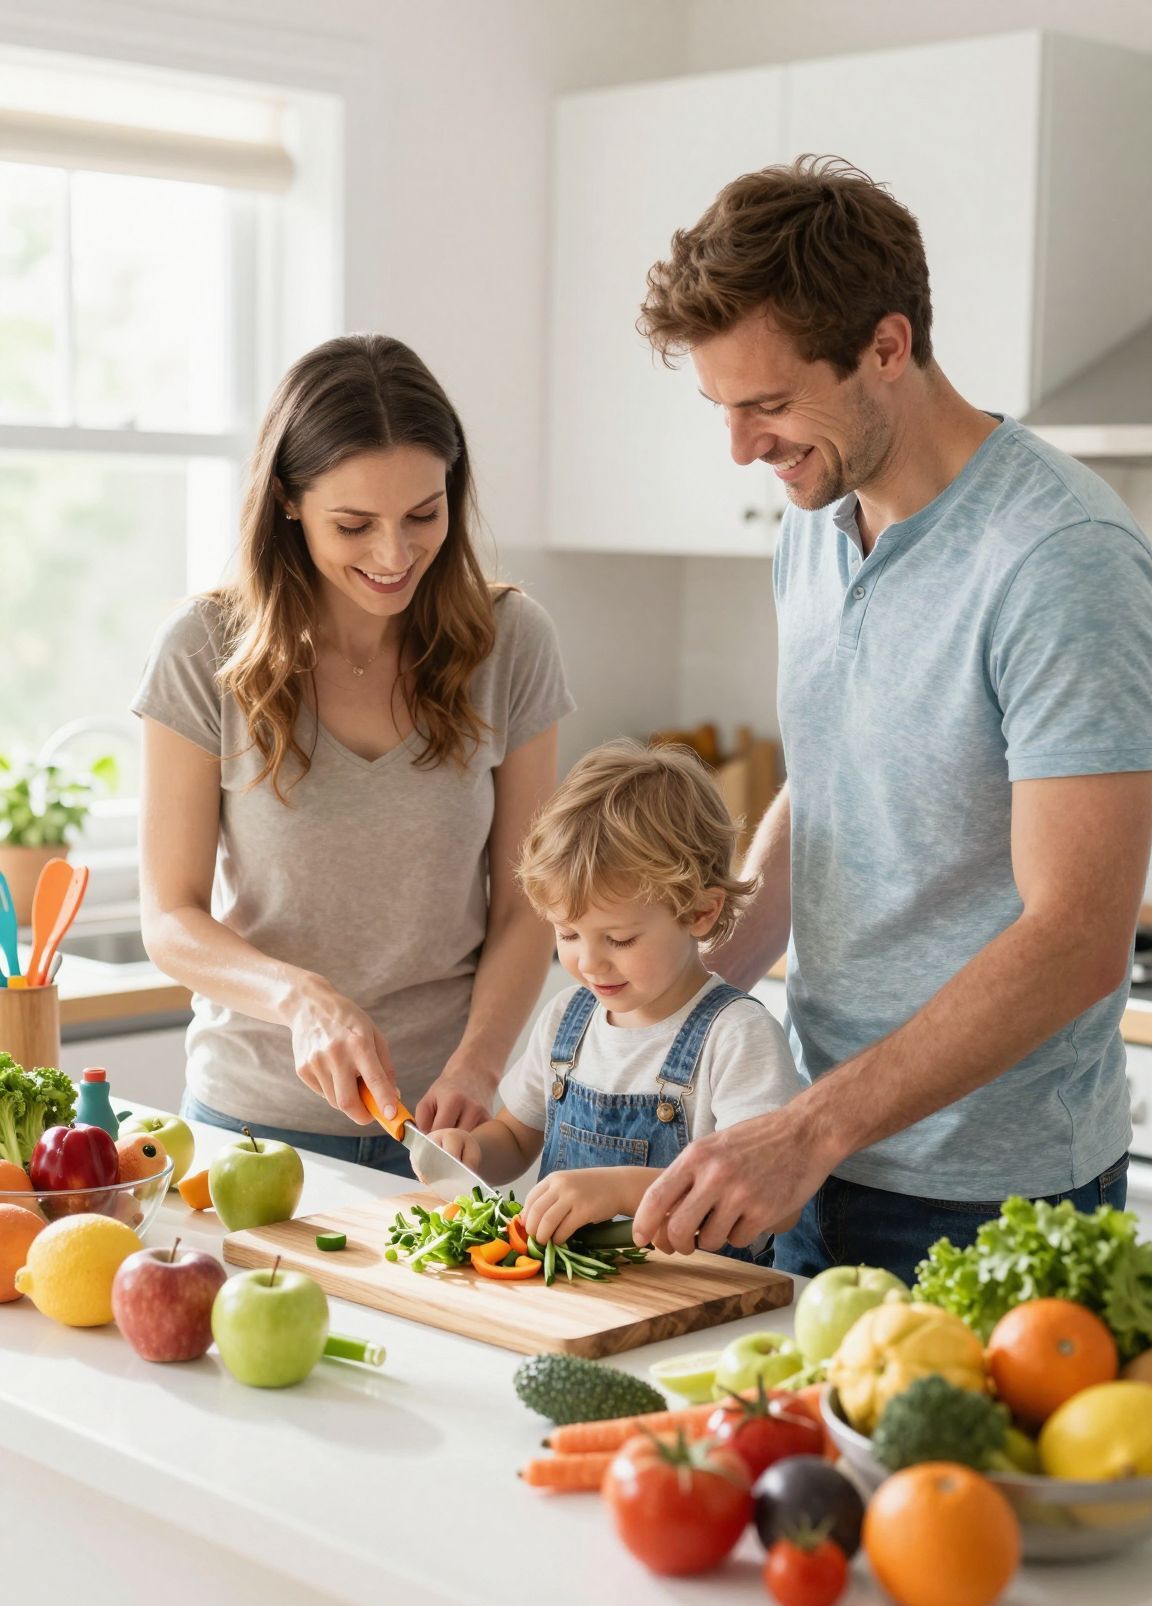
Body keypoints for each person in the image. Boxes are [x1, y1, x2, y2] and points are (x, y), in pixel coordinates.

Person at [629, 157, 1152, 1284]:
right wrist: (690, 976)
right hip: (820, 1159)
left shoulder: (1060, 561)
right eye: (723, 408)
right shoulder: (812, 524)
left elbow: (1077, 937)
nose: (742, 447)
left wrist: (810, 1128)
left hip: (997, 1198)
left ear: (887, 346)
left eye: (767, 404)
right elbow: (827, 780)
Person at [133, 334, 572, 1172]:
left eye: (423, 515)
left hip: (444, 1133)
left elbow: (527, 904)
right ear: (289, 503)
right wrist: (300, 999)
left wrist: (480, 1063)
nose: (394, 554)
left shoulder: (511, 643)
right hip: (250, 1129)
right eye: (354, 524)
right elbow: (171, 917)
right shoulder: (202, 650)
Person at [423, 740, 802, 1256]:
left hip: (698, 1304)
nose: (590, 962)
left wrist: (621, 1191)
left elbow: (764, 1200)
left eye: (619, 939)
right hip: (580, 1299)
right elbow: (515, 1138)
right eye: (568, 933)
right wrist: (471, 1151)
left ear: (700, 912)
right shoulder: (566, 1021)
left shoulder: (737, 1036)